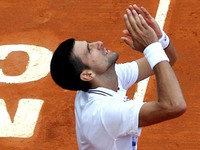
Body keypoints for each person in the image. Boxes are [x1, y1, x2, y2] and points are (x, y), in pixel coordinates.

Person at [50, 4, 186, 150]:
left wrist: (159, 39)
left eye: (90, 43)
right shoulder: (105, 112)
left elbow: (168, 59)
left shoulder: (104, 79)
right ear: (87, 74)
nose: (99, 43)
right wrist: (151, 47)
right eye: (89, 50)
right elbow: (174, 106)